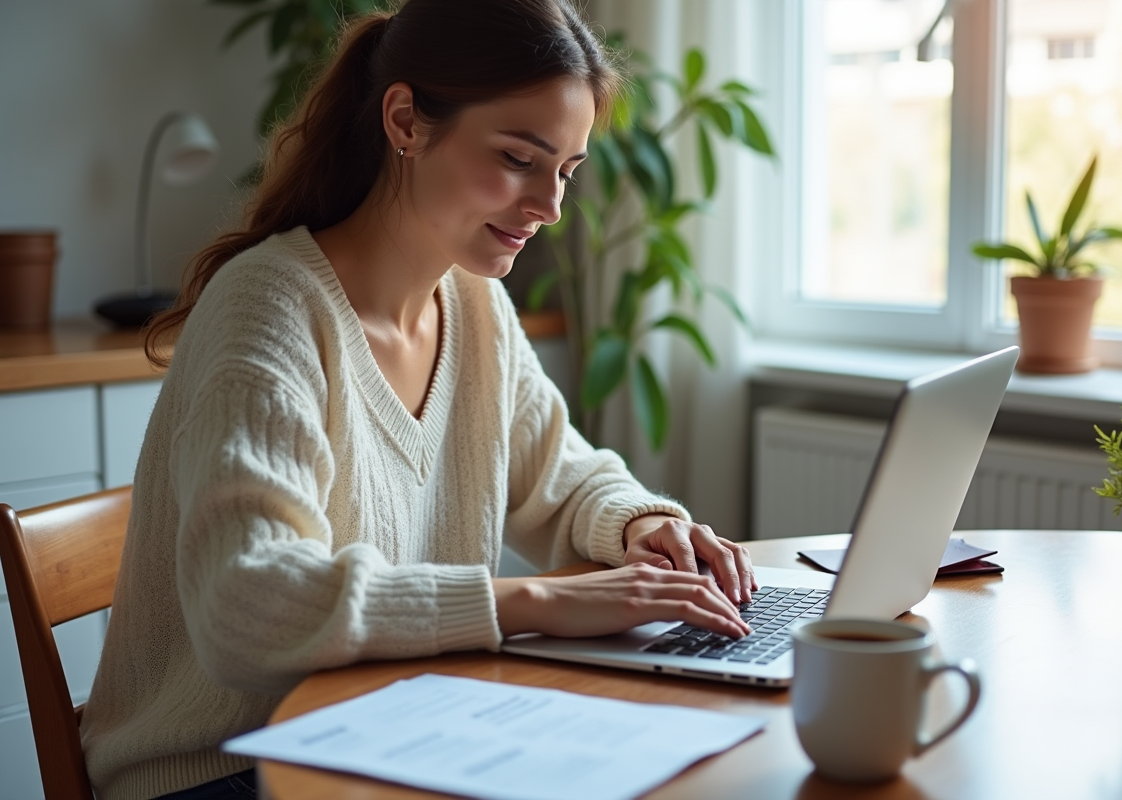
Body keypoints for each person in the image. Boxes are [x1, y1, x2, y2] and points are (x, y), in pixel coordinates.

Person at [80, 1, 757, 798]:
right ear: (405, 120)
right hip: (227, 766)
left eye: (566, 171)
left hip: (397, 729)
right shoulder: (268, 309)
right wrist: (538, 600)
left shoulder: (471, 305)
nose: (550, 207)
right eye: (516, 158)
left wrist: (648, 526)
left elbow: (565, 479)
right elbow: (247, 607)